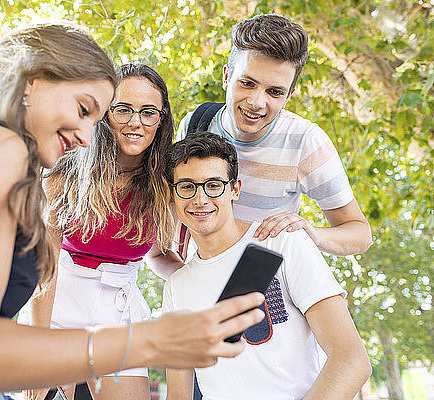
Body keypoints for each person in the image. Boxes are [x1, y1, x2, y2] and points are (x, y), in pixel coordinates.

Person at [0, 24, 266, 400]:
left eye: (94, 120)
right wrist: (155, 339)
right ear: (31, 81)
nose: (85, 135)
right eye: (84, 109)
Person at [163, 131, 372, 400]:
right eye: (187, 186)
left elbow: (351, 361)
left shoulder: (282, 243)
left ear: (234, 189)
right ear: (173, 194)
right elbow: (179, 395)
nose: (200, 199)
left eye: (213, 185)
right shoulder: (175, 288)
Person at [29, 63, 186, 400]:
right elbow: (45, 264)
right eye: (123, 110)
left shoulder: (166, 185)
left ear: (161, 119)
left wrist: (195, 278)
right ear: (104, 113)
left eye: (148, 112)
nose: (135, 122)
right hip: (58, 307)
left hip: (119, 311)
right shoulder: (64, 172)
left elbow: (158, 254)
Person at [175, 14, 372, 259]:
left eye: (275, 92)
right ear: (227, 77)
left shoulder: (305, 142)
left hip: (269, 290)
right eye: (247, 83)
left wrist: (311, 233)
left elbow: (360, 234)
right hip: (205, 281)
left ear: (289, 95)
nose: (257, 102)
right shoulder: (194, 125)